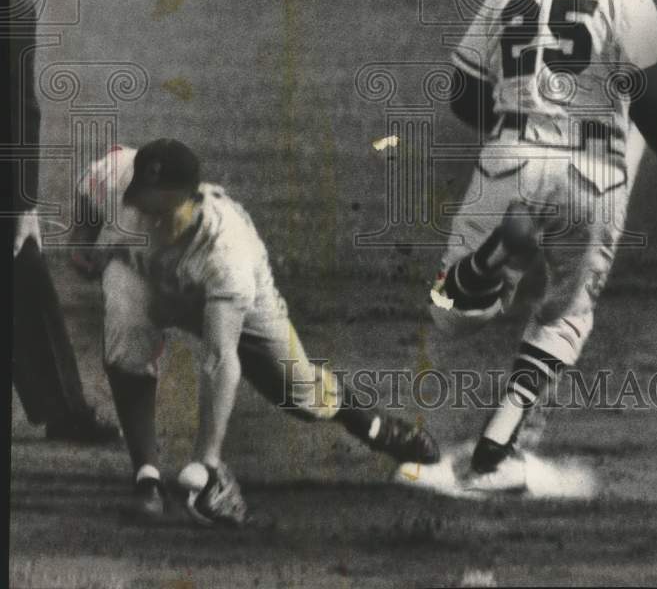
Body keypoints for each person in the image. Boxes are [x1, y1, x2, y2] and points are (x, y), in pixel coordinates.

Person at [422, 0, 657, 493]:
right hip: (595, 174)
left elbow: (463, 91)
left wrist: (509, 132)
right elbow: (651, 100)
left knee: (450, 315)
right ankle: (495, 453)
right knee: (567, 315)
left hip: (512, 158)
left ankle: (493, 257)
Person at [70, 139, 439, 522]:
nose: (145, 211)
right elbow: (89, 185)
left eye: (158, 205)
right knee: (124, 324)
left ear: (188, 199)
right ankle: (146, 477)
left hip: (230, 301)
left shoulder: (228, 251)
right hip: (148, 282)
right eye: (140, 198)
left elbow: (219, 359)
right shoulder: (118, 179)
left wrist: (206, 460)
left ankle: (371, 424)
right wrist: (80, 242)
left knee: (300, 394)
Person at [4, 0, 118, 443]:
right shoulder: (13, 11)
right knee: (26, 284)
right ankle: (65, 410)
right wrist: (25, 205)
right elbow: (20, 111)